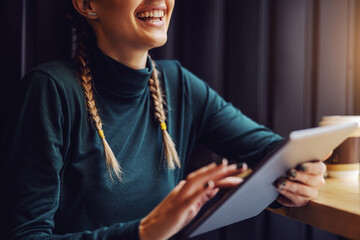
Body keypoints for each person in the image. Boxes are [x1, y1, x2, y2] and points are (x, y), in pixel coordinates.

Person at [0, 0, 326, 239]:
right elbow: (25, 236)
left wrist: (302, 172)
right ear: (88, 5)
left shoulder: (178, 84)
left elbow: (270, 148)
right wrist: (147, 231)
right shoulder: (50, 90)